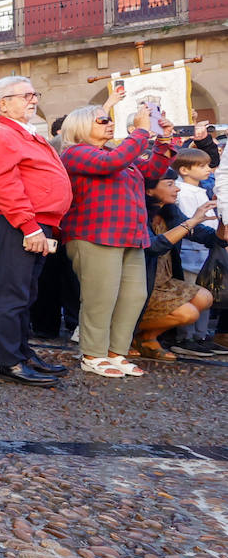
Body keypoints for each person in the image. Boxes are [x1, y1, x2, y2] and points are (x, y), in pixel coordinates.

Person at [60, 103, 176, 378]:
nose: (109, 123)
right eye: (102, 120)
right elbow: (109, 165)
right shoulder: (75, 153)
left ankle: (116, 353)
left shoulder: (116, 153)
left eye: (109, 119)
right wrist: (140, 131)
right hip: (94, 235)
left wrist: (163, 140)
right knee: (100, 298)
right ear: (81, 126)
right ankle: (93, 354)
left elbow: (152, 171)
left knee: (133, 297)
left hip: (129, 236)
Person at [0, 76, 71, 386]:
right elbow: (3, 187)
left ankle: (23, 354)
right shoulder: (0, 135)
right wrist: (30, 228)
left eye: (35, 93)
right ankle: (11, 363)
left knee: (26, 294)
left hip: (33, 224)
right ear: (4, 103)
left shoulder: (22, 134)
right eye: (26, 95)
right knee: (13, 295)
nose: (34, 100)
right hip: (21, 225)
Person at [138, 171, 222, 360]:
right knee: (188, 314)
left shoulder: (170, 211)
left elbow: (207, 236)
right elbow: (153, 247)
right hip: (141, 285)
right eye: (169, 184)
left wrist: (223, 216)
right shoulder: (138, 212)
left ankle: (146, 338)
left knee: (205, 298)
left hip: (164, 282)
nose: (176, 188)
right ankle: (124, 331)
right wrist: (191, 221)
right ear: (149, 191)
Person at [171, 148, 218, 354]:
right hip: (191, 251)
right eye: (202, 166)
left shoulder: (201, 190)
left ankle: (201, 335)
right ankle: (185, 337)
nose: (208, 169)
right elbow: (190, 224)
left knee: (206, 292)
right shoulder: (182, 191)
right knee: (189, 292)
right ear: (184, 169)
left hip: (206, 251)